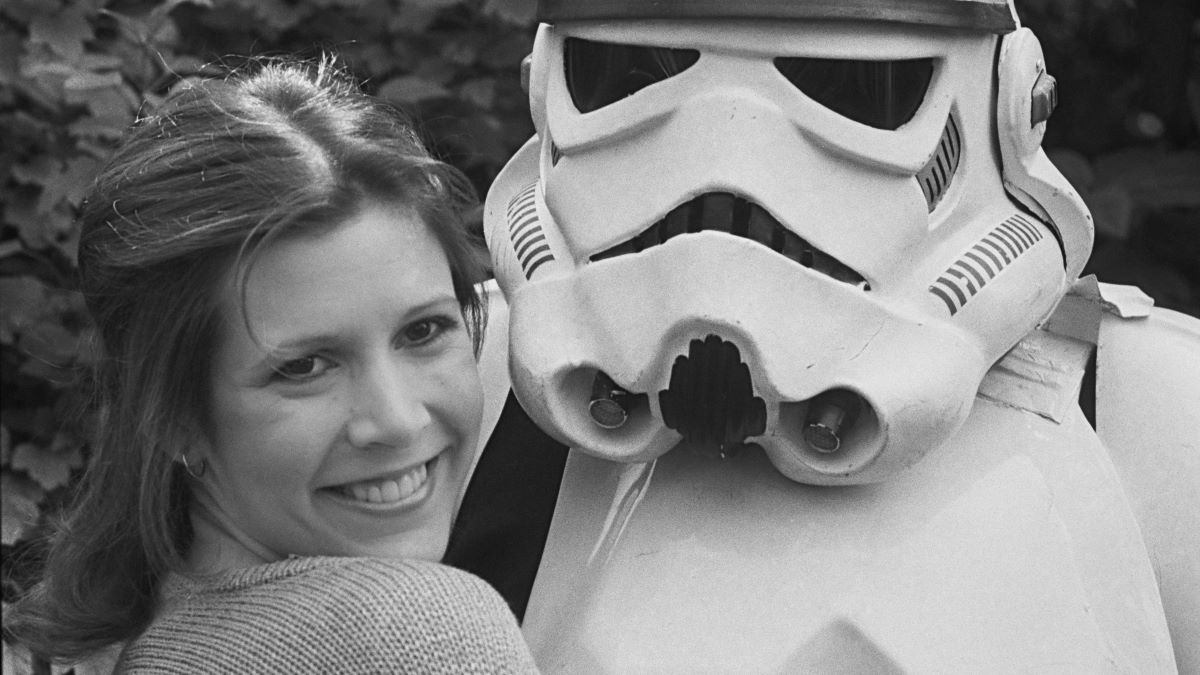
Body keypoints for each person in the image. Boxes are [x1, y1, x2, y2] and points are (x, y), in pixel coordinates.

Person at [3, 56, 538, 673]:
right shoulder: (413, 631)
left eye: (424, 331)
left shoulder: (149, 634)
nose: (396, 420)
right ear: (170, 414)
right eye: (305, 367)